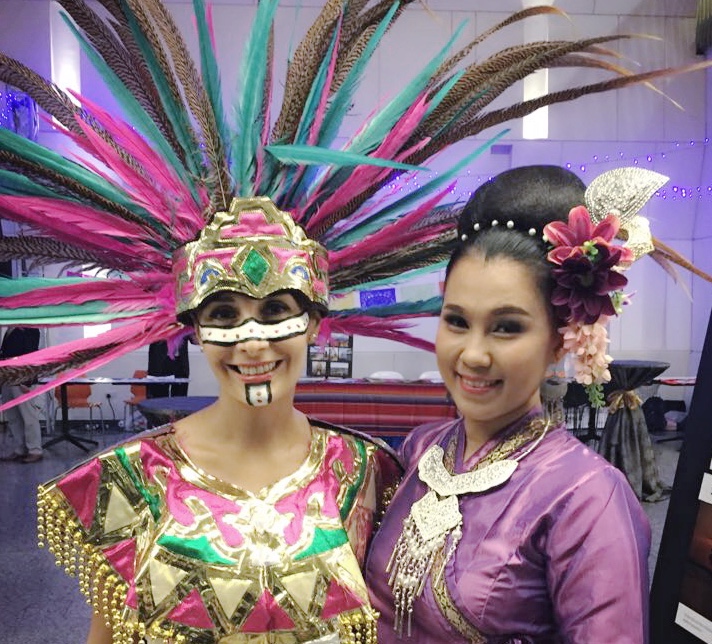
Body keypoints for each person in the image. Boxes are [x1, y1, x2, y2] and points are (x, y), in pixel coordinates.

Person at [38, 197, 401, 643]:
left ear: (312, 323)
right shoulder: (131, 479)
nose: (251, 342)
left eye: (275, 311)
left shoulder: (367, 471)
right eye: (225, 314)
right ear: (196, 330)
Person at [365, 165, 655, 643]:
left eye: (507, 327)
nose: (473, 355)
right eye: (457, 321)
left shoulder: (586, 498)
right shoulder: (420, 450)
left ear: (560, 339)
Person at [0, 325, 42, 463]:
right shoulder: (9, 329)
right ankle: (20, 449)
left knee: (28, 416)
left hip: (22, 379)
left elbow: (32, 355)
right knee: (13, 416)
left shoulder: (30, 328)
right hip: (8, 377)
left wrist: (27, 380)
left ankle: (35, 450)